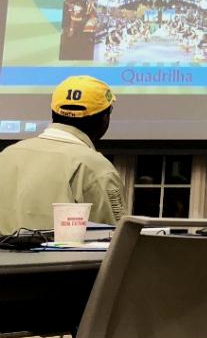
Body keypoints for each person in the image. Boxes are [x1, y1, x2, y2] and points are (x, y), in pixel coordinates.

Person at [0, 75, 126, 234]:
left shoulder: (7, 155)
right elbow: (113, 240)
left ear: (53, 111)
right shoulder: (94, 167)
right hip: (59, 260)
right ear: (104, 117)